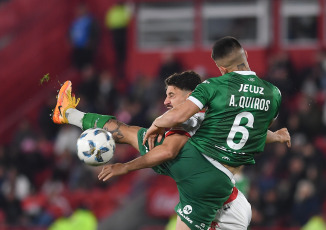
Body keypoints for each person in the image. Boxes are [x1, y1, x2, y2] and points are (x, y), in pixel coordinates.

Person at [52, 71, 290, 230]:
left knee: (127, 132)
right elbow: (246, 133)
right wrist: (276, 136)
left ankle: (68, 114)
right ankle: (68, 113)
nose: (166, 101)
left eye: (172, 95)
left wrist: (125, 166)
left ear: (190, 95)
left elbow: (168, 151)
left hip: (206, 186)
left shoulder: (185, 117)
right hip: (223, 195)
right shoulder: (215, 113)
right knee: (127, 131)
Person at [139, 36, 284, 230]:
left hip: (204, 169)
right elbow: (258, 129)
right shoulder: (274, 94)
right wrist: (275, 136)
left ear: (222, 68)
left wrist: (157, 123)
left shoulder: (213, 86)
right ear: (246, 55)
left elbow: (178, 115)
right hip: (231, 175)